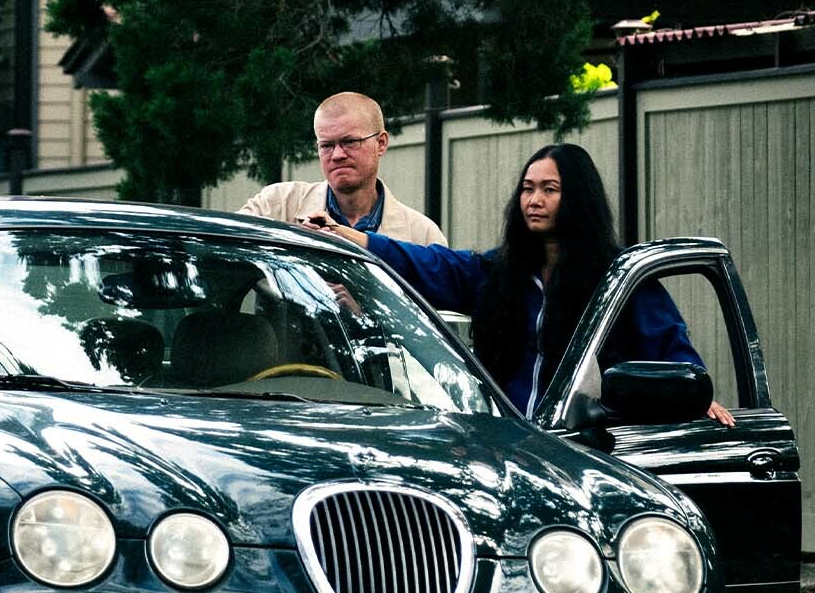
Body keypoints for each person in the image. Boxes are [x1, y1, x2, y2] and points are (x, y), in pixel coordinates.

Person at [318, 142, 733, 424]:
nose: (534, 200)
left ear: (577, 199)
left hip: (587, 450)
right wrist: (360, 239)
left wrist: (693, 398)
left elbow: (673, 358)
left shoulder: (619, 281)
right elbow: (436, 266)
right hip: (503, 444)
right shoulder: (500, 273)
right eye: (528, 189)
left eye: (549, 190)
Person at [240, 91, 446, 245]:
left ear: (381, 143)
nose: (337, 155)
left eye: (350, 142)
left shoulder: (422, 235)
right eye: (327, 145)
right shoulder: (277, 205)